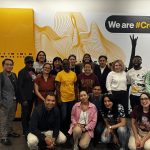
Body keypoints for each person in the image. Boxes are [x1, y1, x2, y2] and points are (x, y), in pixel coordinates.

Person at [0, 59, 20, 146]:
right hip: (4, 102)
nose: (9, 66)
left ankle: (8, 132)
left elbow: (16, 88)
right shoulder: (1, 76)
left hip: (14, 102)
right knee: (3, 120)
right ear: (3, 65)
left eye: (11, 64)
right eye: (7, 64)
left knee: (11, 118)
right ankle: (3, 137)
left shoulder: (14, 75)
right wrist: (1, 102)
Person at [55, 59, 77, 134]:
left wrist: (76, 97)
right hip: (63, 99)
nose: (66, 65)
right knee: (63, 116)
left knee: (70, 115)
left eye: (67, 64)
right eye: (64, 64)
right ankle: (61, 130)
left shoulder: (73, 74)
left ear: (69, 64)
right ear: (62, 65)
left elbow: (75, 86)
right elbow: (57, 87)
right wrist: (58, 98)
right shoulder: (59, 74)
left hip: (72, 98)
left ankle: (69, 130)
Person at [18, 56, 36, 136]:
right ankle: (25, 131)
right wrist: (23, 99)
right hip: (25, 98)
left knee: (28, 113)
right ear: (25, 63)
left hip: (32, 97)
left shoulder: (33, 71)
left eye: (31, 62)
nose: (30, 63)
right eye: (28, 62)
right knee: (25, 114)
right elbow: (20, 87)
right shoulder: (22, 72)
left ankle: (28, 128)